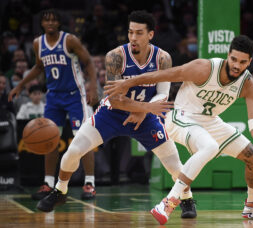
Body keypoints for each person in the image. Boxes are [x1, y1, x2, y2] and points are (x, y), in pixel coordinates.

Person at [104, 35, 253, 224]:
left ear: (250, 62)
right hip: (182, 115)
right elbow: (161, 75)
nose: (237, 65)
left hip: (211, 121)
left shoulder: (249, 85)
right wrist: (127, 82)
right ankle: (169, 202)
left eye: (242, 62)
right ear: (228, 55)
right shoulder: (204, 68)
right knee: (210, 147)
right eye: (234, 59)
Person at [35, 10, 196, 218]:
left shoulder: (163, 58)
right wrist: (144, 108)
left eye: (139, 33)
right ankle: (60, 190)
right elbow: (114, 100)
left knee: (174, 165)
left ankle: (186, 199)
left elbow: (162, 94)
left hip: (145, 117)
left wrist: (143, 112)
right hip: (112, 114)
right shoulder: (115, 57)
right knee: (73, 151)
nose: (133, 38)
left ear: (150, 35)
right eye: (130, 32)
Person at [8, 9, 99, 201]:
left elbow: (88, 62)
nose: (50, 23)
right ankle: (48, 183)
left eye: (53, 20)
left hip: (75, 95)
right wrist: (21, 86)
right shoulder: (37, 43)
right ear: (41, 23)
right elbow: (39, 67)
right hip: (54, 97)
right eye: (46, 20)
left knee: (83, 139)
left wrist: (92, 87)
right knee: (49, 140)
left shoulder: (70, 40)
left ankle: (89, 183)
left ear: (59, 23)